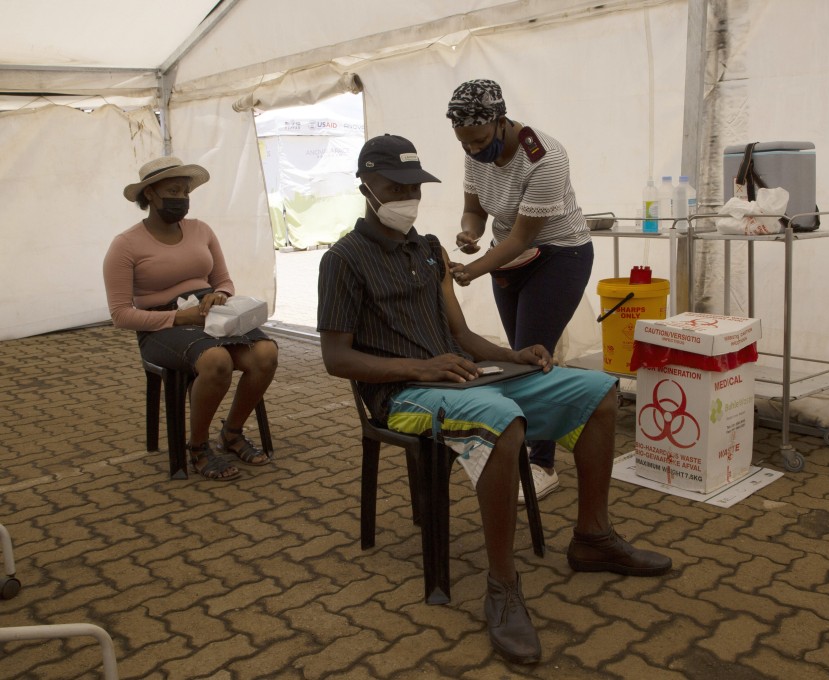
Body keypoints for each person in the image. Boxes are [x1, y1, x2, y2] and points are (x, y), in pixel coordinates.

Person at [318, 134, 671, 665]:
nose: (407, 196)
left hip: (462, 374)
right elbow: (336, 359)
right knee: (503, 419)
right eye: (394, 186)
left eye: (413, 186)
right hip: (402, 394)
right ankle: (503, 586)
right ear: (365, 187)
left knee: (598, 391)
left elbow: (462, 338)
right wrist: (422, 368)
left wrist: (515, 355)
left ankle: (593, 538)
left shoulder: (429, 249)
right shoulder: (343, 260)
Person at [445, 78, 594, 503]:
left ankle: (542, 463)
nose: (473, 150)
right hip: (507, 258)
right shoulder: (475, 151)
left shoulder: (544, 157)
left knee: (533, 353)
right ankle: (525, 445)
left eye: (478, 140)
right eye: (464, 144)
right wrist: (469, 233)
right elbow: (474, 210)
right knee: (518, 354)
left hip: (558, 256)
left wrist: (472, 270)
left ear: (500, 120)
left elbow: (523, 238)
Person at [103, 156, 279, 481]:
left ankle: (232, 433)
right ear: (150, 195)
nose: (181, 199)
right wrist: (179, 318)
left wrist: (220, 295)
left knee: (266, 353)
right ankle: (198, 446)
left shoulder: (201, 230)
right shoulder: (125, 245)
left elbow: (224, 280)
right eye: (173, 191)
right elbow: (120, 315)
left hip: (210, 311)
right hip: (160, 325)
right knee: (216, 361)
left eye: (185, 192)